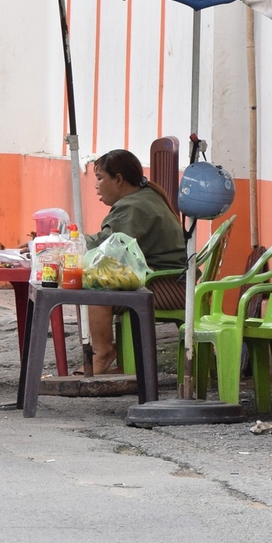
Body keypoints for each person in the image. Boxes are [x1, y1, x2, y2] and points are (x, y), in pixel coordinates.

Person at [83, 148, 188, 375]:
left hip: (171, 285)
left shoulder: (135, 207)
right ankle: (120, 358)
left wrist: (64, 243)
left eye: (100, 178)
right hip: (174, 279)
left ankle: (103, 352)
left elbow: (106, 248)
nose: (96, 185)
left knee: (96, 287)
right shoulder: (145, 197)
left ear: (118, 179)